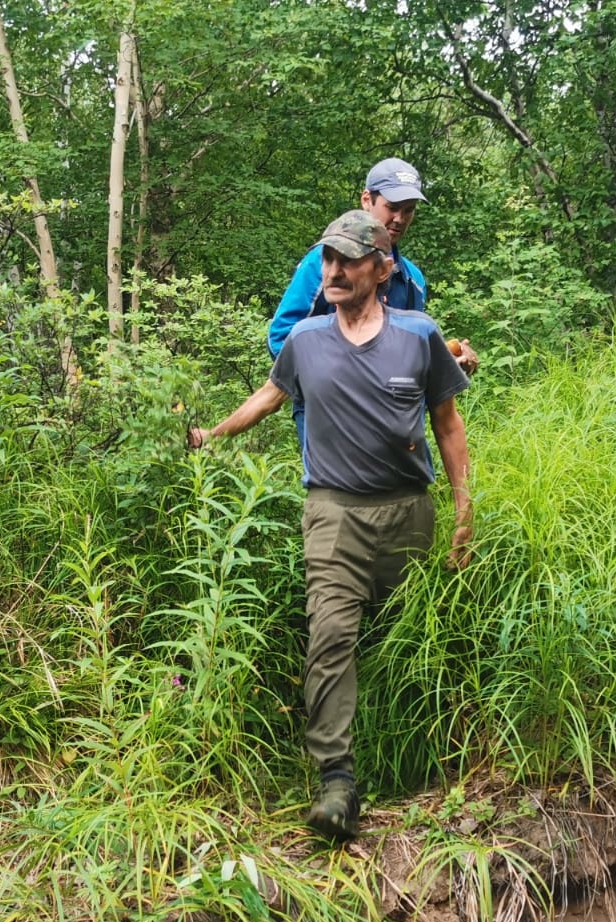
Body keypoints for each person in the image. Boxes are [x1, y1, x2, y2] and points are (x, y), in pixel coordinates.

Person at [190, 209, 473, 841]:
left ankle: (427, 757)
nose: (335, 271)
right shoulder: (305, 340)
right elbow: (269, 398)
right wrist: (210, 435)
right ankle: (337, 781)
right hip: (333, 513)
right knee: (331, 634)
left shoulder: (419, 336)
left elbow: (448, 428)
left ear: (382, 267)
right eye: (328, 260)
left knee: (410, 634)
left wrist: (463, 514)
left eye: (348, 260)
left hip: (409, 511)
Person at [267, 158, 479, 447]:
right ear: (367, 200)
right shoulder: (322, 265)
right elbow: (281, 336)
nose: (400, 219)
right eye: (392, 208)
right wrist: (332, 379)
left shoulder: (412, 278)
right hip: (329, 417)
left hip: (395, 420)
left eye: (409, 211)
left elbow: (408, 350)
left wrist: (448, 364)